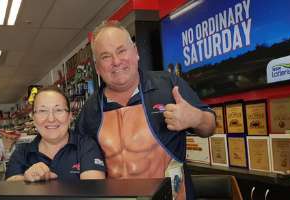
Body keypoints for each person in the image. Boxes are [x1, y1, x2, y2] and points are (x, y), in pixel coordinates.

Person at [74, 20, 216, 200]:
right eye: (106, 56)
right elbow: (73, 157)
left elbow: (210, 126)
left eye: (121, 50)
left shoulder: (169, 86)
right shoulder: (90, 110)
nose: (116, 61)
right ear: (97, 67)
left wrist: (197, 118)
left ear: (136, 52)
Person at [5, 87, 106, 182]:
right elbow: (9, 186)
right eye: (43, 111)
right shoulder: (21, 152)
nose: (51, 119)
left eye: (58, 110)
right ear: (34, 119)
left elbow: (93, 190)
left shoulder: (86, 146)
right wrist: (26, 179)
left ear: (70, 116)